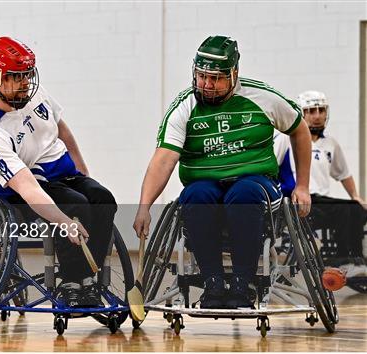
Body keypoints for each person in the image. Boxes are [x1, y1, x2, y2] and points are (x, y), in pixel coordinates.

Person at [133, 35, 312, 309]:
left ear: (234, 74)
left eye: (215, 78)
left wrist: (302, 186)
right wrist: (144, 207)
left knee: (242, 193)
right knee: (195, 194)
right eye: (201, 76)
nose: (206, 85)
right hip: (205, 181)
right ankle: (212, 282)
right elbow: (164, 158)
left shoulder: (263, 97)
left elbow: (300, 130)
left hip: (255, 181)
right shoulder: (185, 106)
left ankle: (242, 284)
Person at [0, 36, 117, 307]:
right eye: (17, 76)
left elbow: (62, 129)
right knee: (75, 206)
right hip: (21, 191)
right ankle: (73, 282)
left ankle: (87, 278)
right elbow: (28, 188)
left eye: (28, 74)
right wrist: (64, 222)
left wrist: (83, 171)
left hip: (59, 174)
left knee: (103, 198)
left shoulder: (31, 94)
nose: (26, 82)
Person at [298, 90, 367, 271]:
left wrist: (356, 196)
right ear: (302, 113)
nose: (318, 116)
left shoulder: (330, 143)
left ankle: (356, 258)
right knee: (343, 210)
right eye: (312, 111)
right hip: (303, 200)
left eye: (321, 110)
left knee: (357, 209)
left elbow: (343, 174)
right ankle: (344, 258)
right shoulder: (288, 139)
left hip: (323, 200)